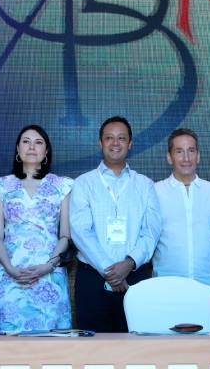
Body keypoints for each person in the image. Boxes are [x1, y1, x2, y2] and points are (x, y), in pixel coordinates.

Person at [70, 116, 161, 332]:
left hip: (135, 277)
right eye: (109, 138)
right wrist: (110, 271)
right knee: (93, 346)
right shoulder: (83, 183)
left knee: (137, 344)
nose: (115, 143)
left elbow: (152, 231)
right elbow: (81, 231)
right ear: (100, 143)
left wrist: (128, 263)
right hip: (92, 279)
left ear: (130, 144)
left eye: (121, 138)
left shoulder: (145, 185)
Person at [0, 125, 72, 333]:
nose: (32, 147)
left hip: (49, 273)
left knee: (50, 342)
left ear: (46, 151)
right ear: (18, 149)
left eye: (38, 142)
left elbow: (65, 235)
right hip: (10, 273)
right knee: (7, 340)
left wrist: (48, 266)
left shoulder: (62, 185)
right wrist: (10, 268)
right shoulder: (1, 186)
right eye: (26, 141)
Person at [153, 128, 210, 326]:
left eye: (191, 151)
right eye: (179, 151)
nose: (186, 158)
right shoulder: (155, 192)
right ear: (169, 157)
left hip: (208, 291)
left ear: (198, 156)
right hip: (166, 293)